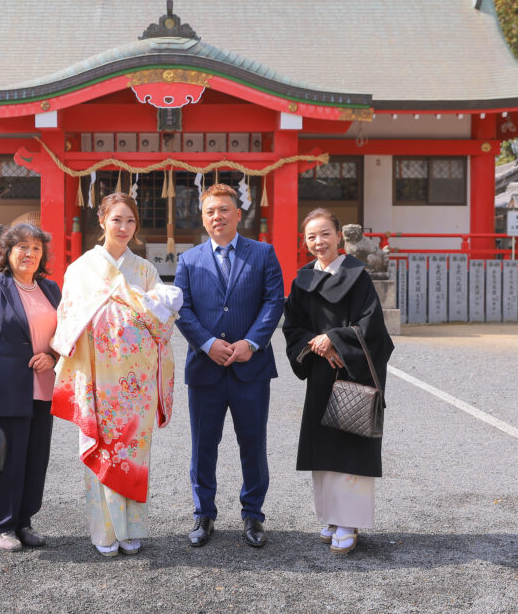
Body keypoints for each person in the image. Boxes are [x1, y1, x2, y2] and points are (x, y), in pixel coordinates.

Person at [50, 193, 181, 558]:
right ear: (103, 220)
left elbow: (164, 321)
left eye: (130, 221)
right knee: (102, 450)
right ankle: (104, 530)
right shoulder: (81, 268)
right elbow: (68, 318)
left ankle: (131, 528)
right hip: (97, 379)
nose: (123, 228)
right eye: (116, 219)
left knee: (134, 454)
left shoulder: (145, 270)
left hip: (135, 383)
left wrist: (145, 309)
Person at [173, 183, 285, 549]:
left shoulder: (263, 253)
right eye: (210, 211)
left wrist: (251, 342)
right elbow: (182, 309)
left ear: (238, 214)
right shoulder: (189, 260)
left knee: (252, 444)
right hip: (206, 369)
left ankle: (253, 514)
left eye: (224, 209)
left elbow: (273, 301)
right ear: (202, 218)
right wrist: (207, 343)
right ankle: (203, 514)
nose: (217, 216)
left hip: (250, 368)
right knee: (203, 446)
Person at [281, 208, 394, 554]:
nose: (319, 242)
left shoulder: (357, 276)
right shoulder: (303, 281)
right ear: (305, 241)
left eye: (325, 234)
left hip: (353, 374)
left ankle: (350, 521)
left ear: (338, 237)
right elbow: (293, 328)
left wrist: (337, 341)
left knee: (350, 446)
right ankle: (332, 516)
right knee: (324, 448)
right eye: (311, 236)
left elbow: (372, 327)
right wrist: (315, 345)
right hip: (319, 373)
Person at [0, 223, 62, 552]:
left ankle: (24, 521)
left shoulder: (51, 289)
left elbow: (64, 334)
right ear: (7, 252)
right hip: (6, 390)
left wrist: (52, 355)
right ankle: (2, 524)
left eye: (36, 248)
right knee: (6, 460)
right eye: (22, 247)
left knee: (36, 459)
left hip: (43, 389)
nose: (29, 254)